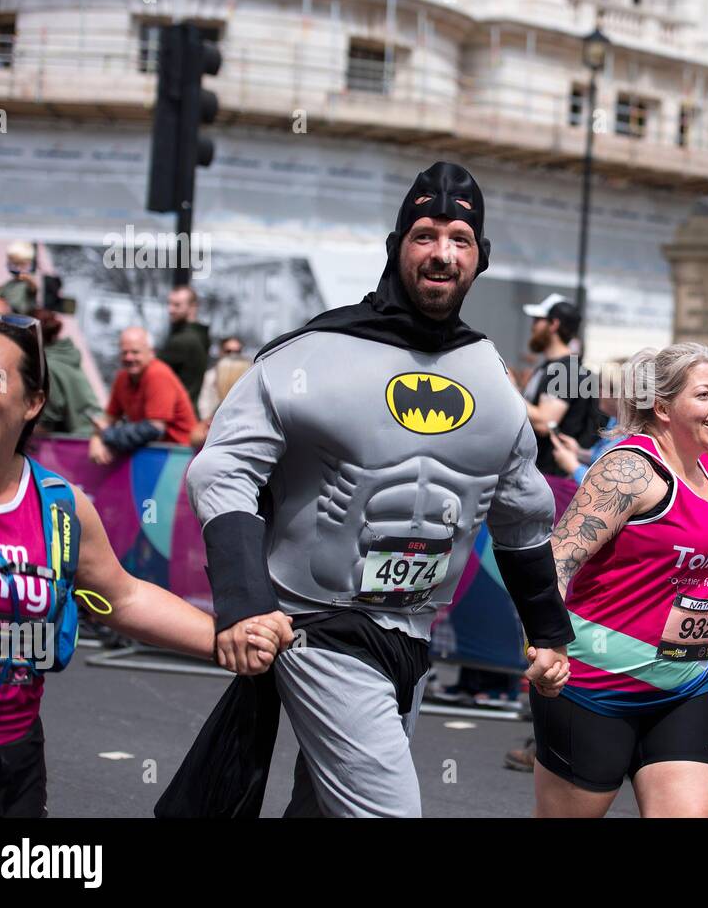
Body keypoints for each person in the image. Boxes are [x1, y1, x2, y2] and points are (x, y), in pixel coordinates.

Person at [179, 161, 574, 818]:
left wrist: (549, 633)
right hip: (318, 625)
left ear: (480, 259)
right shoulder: (314, 351)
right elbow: (223, 469)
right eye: (424, 235)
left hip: (412, 637)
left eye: (460, 239)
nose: (442, 254)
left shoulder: (492, 377)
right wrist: (245, 600)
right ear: (397, 247)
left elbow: (522, 515)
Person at [0, 313, 290, 817]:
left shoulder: (57, 506)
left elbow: (122, 597)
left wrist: (227, 639)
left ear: (32, 401)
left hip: (12, 768)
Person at [532, 343, 708, 818]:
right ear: (662, 406)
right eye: (704, 395)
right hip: (594, 689)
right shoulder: (629, 470)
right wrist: (544, 641)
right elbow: (556, 560)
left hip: (683, 687)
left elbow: (688, 561)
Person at [521, 294, 604, 477]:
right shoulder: (551, 367)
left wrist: (508, 392)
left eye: (538, 320)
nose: (533, 326)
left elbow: (544, 423)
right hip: (540, 476)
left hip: (552, 480)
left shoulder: (568, 372)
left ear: (554, 325)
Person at [89, 327, 197, 464]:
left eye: (135, 352)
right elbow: (106, 420)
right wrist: (96, 439)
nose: (129, 357)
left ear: (151, 353)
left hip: (178, 458)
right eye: (124, 352)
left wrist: (108, 435)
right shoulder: (122, 377)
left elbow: (154, 429)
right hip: (153, 456)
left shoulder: (158, 374)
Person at [548, 359, 624, 485]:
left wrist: (573, 466)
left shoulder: (630, 433)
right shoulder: (615, 421)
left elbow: (606, 487)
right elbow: (598, 457)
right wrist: (578, 452)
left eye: (600, 386)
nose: (596, 391)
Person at [34, 309, 103, 437]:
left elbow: (51, 415)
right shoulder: (64, 354)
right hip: (91, 428)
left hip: (79, 436)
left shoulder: (49, 363)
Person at [159, 286, 211, 411]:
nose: (170, 309)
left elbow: (153, 372)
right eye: (169, 304)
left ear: (193, 307)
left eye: (177, 305)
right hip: (189, 410)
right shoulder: (201, 335)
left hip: (177, 413)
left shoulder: (183, 340)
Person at [188, 355, 251, 449]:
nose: (214, 383)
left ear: (228, 380)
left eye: (218, 377)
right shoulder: (222, 407)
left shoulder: (234, 414)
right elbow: (195, 436)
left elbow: (197, 437)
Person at [195, 334, 244, 423]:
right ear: (221, 352)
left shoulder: (246, 376)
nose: (233, 355)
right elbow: (204, 401)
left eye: (237, 351)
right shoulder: (211, 375)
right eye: (228, 351)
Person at [0, 242, 38, 315]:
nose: (17, 267)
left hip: (23, 316)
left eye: (21, 264)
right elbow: (0, 296)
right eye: (14, 263)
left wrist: (28, 279)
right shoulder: (9, 284)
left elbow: (33, 288)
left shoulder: (26, 284)